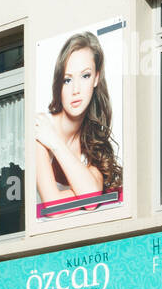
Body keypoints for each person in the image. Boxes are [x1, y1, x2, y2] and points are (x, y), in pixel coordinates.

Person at [33, 31, 122, 209]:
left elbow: (90, 202)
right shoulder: (40, 128)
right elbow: (52, 206)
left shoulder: (93, 140)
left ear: (96, 78)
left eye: (85, 76)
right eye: (67, 80)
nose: (76, 89)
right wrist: (90, 193)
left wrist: (55, 143)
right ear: (58, 83)